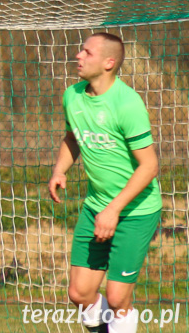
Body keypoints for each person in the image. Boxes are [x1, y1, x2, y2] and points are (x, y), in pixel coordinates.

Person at [48, 33, 162, 333]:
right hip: (96, 207)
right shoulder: (72, 96)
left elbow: (149, 166)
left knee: (116, 298)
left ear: (109, 62)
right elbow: (73, 137)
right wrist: (60, 170)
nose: (78, 56)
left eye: (87, 52)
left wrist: (113, 210)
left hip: (135, 212)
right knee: (80, 294)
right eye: (80, 51)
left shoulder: (127, 104)